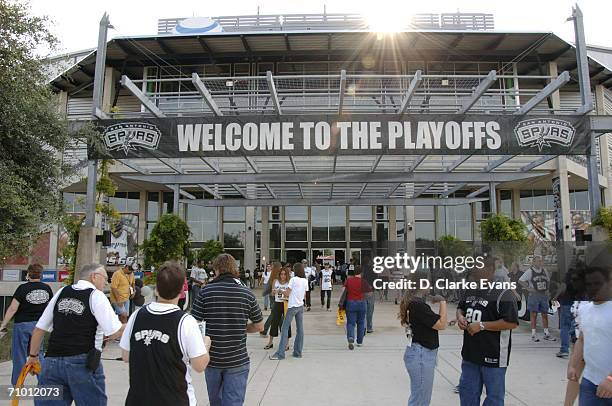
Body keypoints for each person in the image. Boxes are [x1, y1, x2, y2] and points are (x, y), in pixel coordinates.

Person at [25, 263, 124, 405]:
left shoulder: (62, 292)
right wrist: (133, 323)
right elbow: (114, 332)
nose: (106, 283)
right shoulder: (96, 296)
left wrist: (33, 356)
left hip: (52, 362)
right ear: (94, 277)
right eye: (105, 278)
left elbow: (39, 328)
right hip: (83, 363)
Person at [120, 261, 211, 406]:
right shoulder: (185, 322)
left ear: (156, 289)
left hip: (139, 399)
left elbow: (126, 356)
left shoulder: (137, 316)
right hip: (174, 398)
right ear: (182, 290)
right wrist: (206, 343)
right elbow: (199, 365)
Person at [191, 254, 263, 406]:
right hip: (238, 359)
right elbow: (259, 326)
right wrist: (242, 328)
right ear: (234, 269)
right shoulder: (247, 293)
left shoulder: (205, 292)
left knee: (215, 402)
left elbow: (195, 325)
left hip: (212, 359)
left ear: (216, 270)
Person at [456, 256, 519, 406]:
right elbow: (460, 307)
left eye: (478, 267)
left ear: (490, 270)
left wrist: (482, 325)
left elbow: (511, 322)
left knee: (494, 398)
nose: (473, 270)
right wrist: (460, 317)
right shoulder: (470, 288)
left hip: (494, 356)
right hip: (470, 354)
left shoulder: (503, 293)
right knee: (467, 394)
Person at [0, 264, 53, 386]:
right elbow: (50, 309)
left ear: (28, 274)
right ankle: (44, 384)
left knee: (19, 355)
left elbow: (13, 308)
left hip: (22, 325)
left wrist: (3, 325)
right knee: (38, 354)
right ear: (41, 274)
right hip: (39, 326)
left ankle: (18, 385)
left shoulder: (22, 288)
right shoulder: (47, 289)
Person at [567, 266, 612, 406]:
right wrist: (573, 365)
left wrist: (610, 379)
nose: (593, 288)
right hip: (590, 382)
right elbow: (581, 339)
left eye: (597, 283)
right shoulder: (584, 309)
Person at [399, 277, 447, 406]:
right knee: (420, 399)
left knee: (420, 397)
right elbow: (441, 324)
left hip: (419, 352)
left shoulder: (413, 302)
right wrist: (443, 302)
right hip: (421, 354)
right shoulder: (419, 306)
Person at [269, 263, 307, 360]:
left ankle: (280, 354)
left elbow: (287, 293)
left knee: (284, 328)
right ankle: (298, 352)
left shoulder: (293, 280)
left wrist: (279, 291)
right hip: (300, 306)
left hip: (292, 306)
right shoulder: (305, 281)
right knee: (300, 330)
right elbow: (304, 296)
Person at [519, 255, 556, 342]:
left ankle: (546, 333)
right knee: (534, 314)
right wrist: (528, 288)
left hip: (543, 294)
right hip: (534, 295)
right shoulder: (530, 271)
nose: (540, 262)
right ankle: (533, 334)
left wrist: (547, 290)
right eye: (538, 261)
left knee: (544, 314)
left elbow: (548, 280)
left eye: (540, 261)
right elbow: (520, 280)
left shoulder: (544, 271)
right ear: (534, 262)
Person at [343, 266, 372, 350]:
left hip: (350, 303)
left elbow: (343, 291)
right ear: (361, 272)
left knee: (350, 323)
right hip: (362, 303)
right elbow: (369, 294)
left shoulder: (349, 280)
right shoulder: (364, 282)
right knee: (361, 323)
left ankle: (351, 338)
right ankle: (359, 342)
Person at [265, 267, 291, 350]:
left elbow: (289, 294)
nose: (282, 276)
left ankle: (286, 344)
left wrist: (281, 291)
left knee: (286, 323)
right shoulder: (275, 281)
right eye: (281, 274)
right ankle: (270, 342)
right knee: (274, 322)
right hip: (277, 303)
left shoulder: (289, 282)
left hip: (286, 303)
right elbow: (272, 293)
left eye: (284, 274)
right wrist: (274, 291)